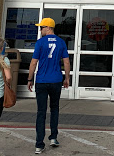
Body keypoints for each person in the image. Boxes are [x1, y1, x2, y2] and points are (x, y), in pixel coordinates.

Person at [28, 17, 70, 154]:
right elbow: (67, 62)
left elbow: (34, 63)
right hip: (56, 80)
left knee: (41, 112)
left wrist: (29, 79)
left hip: (41, 81)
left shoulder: (40, 43)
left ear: (48, 28)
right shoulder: (61, 42)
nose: (40, 30)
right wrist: (67, 78)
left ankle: (39, 144)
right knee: (55, 109)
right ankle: (53, 137)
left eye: (41, 27)